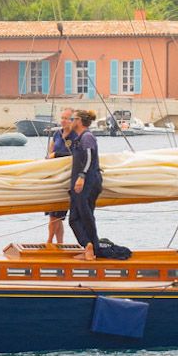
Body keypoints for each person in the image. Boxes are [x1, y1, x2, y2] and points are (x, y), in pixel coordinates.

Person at [67, 108, 103, 260]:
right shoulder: (79, 138)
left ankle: (92, 248)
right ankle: (88, 245)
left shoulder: (87, 137)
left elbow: (88, 157)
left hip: (87, 183)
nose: (71, 121)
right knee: (74, 219)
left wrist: (82, 176)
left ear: (79, 121)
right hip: (80, 184)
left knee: (86, 216)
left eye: (73, 119)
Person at [45, 108, 76, 245]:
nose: (63, 120)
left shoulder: (76, 136)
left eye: (66, 118)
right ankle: (60, 243)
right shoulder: (57, 134)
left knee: (55, 215)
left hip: (66, 178)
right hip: (54, 176)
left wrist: (56, 156)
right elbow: (50, 152)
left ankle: (49, 242)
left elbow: (77, 156)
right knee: (55, 215)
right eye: (62, 117)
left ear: (72, 120)